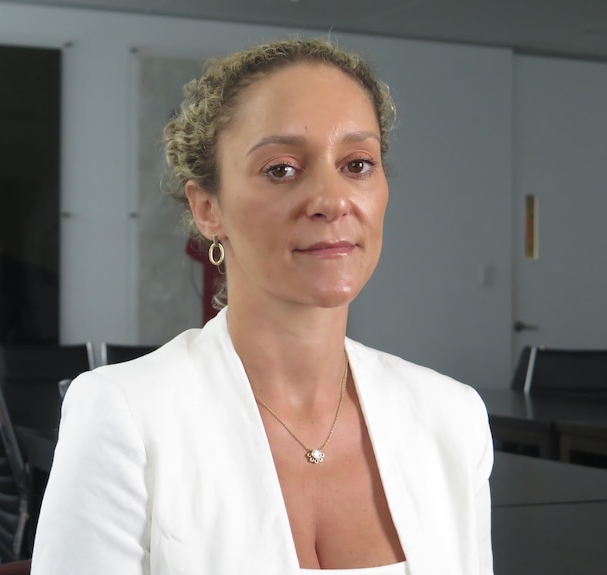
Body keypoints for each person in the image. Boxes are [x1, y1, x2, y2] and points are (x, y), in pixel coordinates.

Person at [31, 37, 493, 574]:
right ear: (208, 208)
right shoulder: (125, 416)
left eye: (358, 164)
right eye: (281, 169)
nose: (332, 200)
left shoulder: (452, 419)